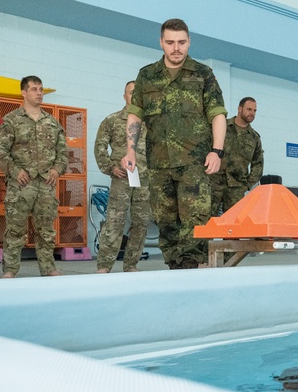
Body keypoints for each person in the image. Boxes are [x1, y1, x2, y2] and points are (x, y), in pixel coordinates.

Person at [123, 18, 227, 270]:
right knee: (165, 222)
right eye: (170, 42)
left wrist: (217, 151)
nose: (176, 48)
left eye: (181, 42)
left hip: (194, 164)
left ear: (189, 42)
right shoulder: (147, 75)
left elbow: (218, 115)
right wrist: (130, 150)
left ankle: (192, 273)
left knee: (195, 222)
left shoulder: (203, 74)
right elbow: (135, 115)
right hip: (159, 164)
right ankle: (176, 271)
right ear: (161, 43)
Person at [0, 75, 67, 278]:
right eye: (34, 89)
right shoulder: (10, 121)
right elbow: (0, 151)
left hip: (46, 183)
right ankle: (9, 270)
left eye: (41, 89)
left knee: (46, 230)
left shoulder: (52, 123)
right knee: (15, 229)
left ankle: (48, 268)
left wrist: (56, 169)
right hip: (21, 184)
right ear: (24, 93)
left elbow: (62, 153)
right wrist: (15, 171)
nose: (39, 93)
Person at [93, 80, 151, 273]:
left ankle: (131, 264)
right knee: (114, 221)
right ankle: (104, 266)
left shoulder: (150, 123)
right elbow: (99, 147)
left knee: (141, 223)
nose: (134, 96)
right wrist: (109, 168)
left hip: (144, 179)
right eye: (131, 92)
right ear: (124, 96)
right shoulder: (112, 120)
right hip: (122, 177)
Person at [209, 96, 263, 217]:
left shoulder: (254, 138)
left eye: (254, 111)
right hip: (214, 182)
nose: (252, 113)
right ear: (240, 109)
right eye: (249, 109)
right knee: (206, 222)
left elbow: (258, 164)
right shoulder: (221, 127)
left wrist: (247, 185)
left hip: (237, 187)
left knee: (234, 225)